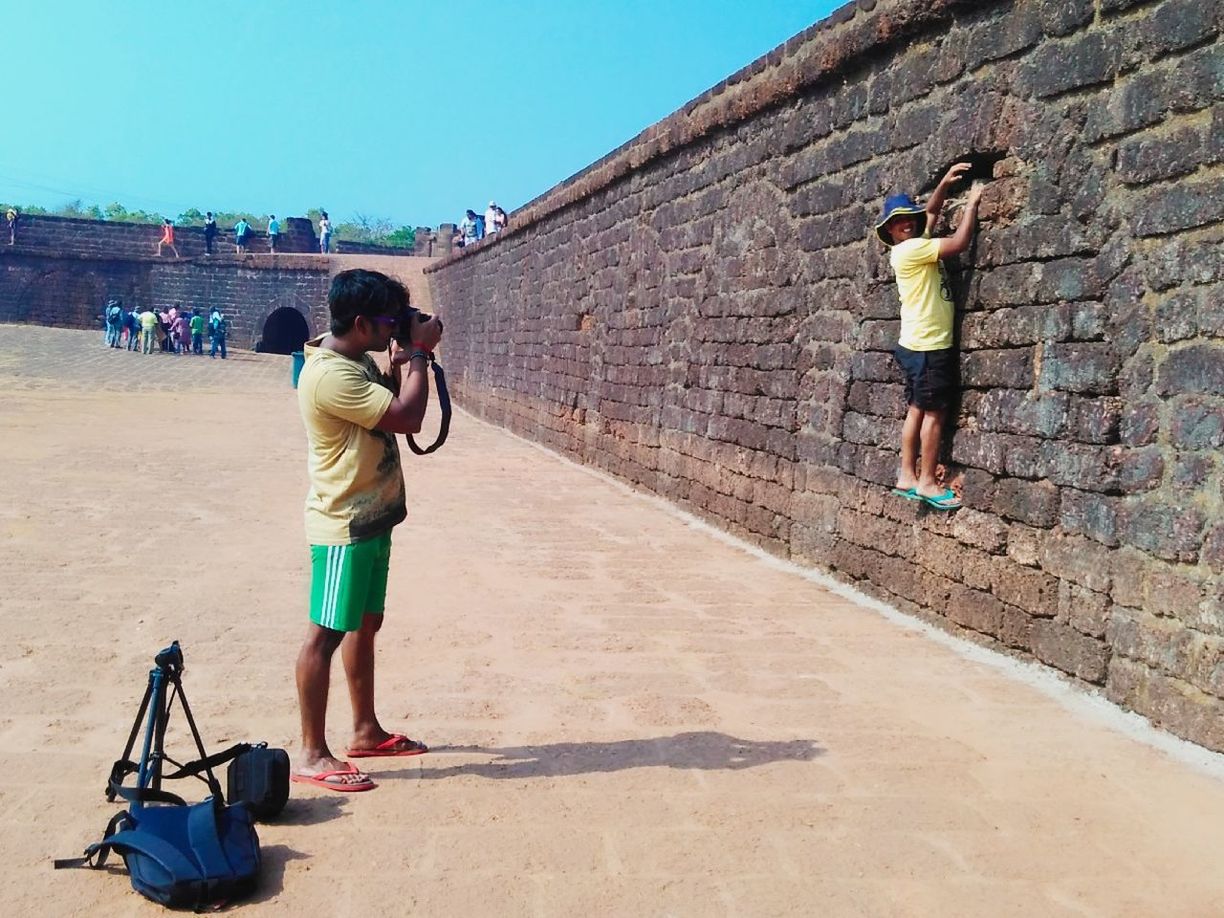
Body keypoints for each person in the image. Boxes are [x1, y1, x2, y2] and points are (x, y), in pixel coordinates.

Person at [292, 268, 443, 792]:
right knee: (325, 635)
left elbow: (387, 412)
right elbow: (407, 418)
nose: (395, 328)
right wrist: (420, 354)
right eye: (387, 323)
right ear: (360, 323)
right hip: (344, 524)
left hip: (373, 515)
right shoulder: (333, 375)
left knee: (364, 625)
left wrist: (400, 361)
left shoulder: (353, 359)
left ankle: (364, 730)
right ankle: (312, 753)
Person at [875, 162, 984, 512]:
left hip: (915, 343)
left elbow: (931, 212)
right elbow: (959, 242)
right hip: (929, 344)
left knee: (916, 410)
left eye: (908, 217)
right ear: (889, 231)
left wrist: (943, 185)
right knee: (934, 413)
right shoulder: (911, 250)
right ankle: (925, 482)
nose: (905, 223)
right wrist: (972, 203)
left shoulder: (913, 243)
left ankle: (906, 475)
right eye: (897, 222)